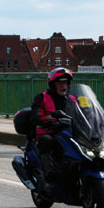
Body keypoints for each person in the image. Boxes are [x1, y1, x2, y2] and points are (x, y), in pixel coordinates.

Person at [30, 67, 77, 195]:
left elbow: (87, 112)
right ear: (52, 84)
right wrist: (45, 120)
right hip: (49, 133)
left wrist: (98, 117)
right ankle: (49, 177)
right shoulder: (42, 97)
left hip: (69, 134)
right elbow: (35, 115)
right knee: (46, 141)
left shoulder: (73, 99)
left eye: (66, 82)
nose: (64, 85)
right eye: (60, 82)